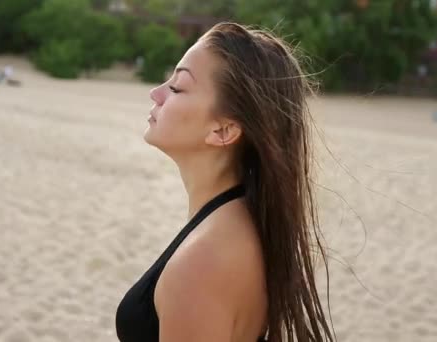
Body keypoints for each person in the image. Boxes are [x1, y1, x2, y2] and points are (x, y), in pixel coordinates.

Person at [116, 22, 334, 342]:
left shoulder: (202, 263)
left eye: (177, 87)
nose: (156, 93)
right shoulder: (239, 219)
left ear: (223, 131)